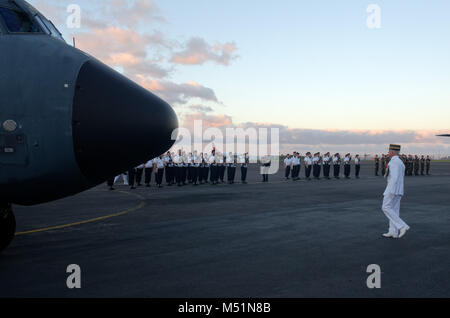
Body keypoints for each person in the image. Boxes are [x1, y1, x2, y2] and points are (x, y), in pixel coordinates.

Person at [381, 144, 410, 239]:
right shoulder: (399, 162)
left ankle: (402, 226)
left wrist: (391, 190)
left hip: (392, 189)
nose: (388, 153)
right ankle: (393, 231)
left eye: (389, 151)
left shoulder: (394, 162)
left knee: (385, 207)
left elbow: (394, 177)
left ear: (392, 152)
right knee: (394, 210)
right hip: (398, 190)